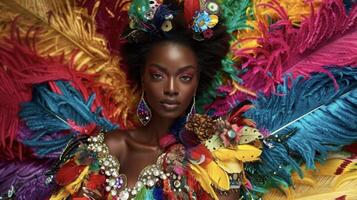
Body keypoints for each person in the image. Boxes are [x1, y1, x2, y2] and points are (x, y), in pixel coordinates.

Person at [1, 0, 357, 200]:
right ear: (142, 77)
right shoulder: (94, 151)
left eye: (184, 77)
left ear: (197, 83)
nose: (171, 88)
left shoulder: (218, 164)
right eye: (159, 75)